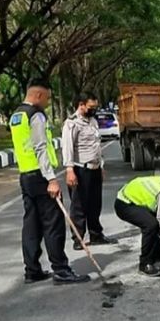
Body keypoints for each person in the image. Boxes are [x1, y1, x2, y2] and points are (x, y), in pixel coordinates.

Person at [9, 80, 90, 285]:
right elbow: (40, 148)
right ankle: (61, 270)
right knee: (53, 224)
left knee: (32, 225)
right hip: (40, 176)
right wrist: (52, 179)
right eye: (47, 97)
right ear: (38, 95)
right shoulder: (36, 115)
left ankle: (32, 270)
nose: (47, 102)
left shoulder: (16, 115)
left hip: (25, 176)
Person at [62, 92, 116, 250]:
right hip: (80, 170)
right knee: (79, 206)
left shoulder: (92, 121)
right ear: (81, 105)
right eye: (91, 107)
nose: (94, 110)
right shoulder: (71, 123)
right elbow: (68, 148)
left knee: (95, 204)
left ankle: (96, 234)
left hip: (94, 168)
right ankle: (78, 239)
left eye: (95, 107)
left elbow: (97, 146)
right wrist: (69, 170)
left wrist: (101, 166)